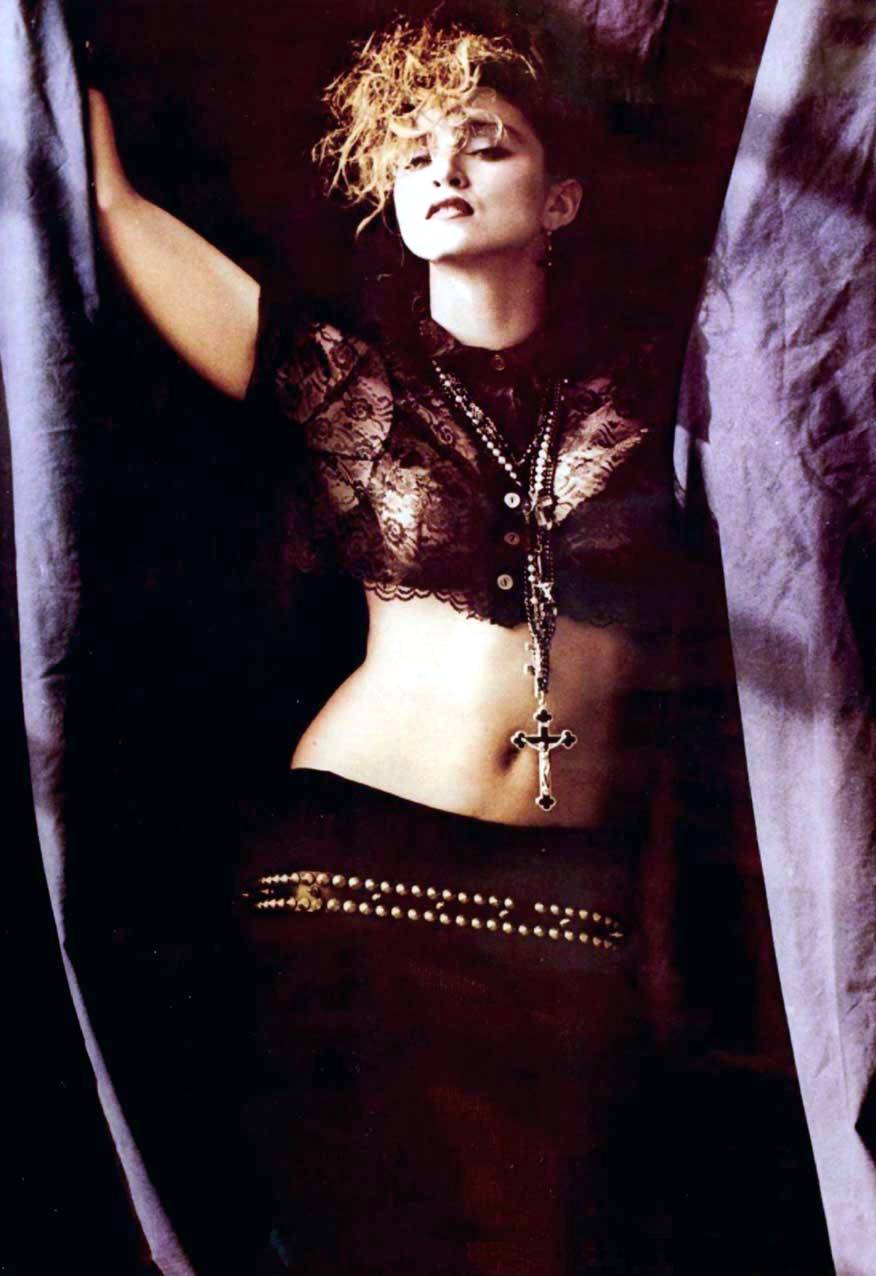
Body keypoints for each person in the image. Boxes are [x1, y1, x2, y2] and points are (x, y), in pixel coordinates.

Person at [89, 15, 681, 1274]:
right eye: (414, 156)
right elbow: (116, 208)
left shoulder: (662, 377)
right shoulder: (333, 370)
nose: (445, 170)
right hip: (352, 877)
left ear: (562, 199)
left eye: (487, 144)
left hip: (573, 901)